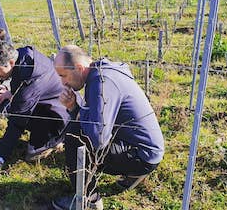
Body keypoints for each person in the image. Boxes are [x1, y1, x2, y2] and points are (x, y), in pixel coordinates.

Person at [51, 45, 165, 210]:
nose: (63, 82)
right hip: (144, 147)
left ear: (79, 68)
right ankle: (134, 173)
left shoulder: (102, 83)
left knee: (74, 137)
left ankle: (88, 200)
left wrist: (75, 111)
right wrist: (76, 109)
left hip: (141, 154)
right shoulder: (103, 73)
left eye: (64, 75)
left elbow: (98, 139)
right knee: (80, 130)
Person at [0, 41, 70, 200]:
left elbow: (17, 123)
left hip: (57, 117)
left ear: (10, 62)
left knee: (32, 155)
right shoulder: (24, 55)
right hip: (48, 102)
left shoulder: (30, 78)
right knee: (9, 105)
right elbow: (29, 93)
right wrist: (13, 95)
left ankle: (57, 139)